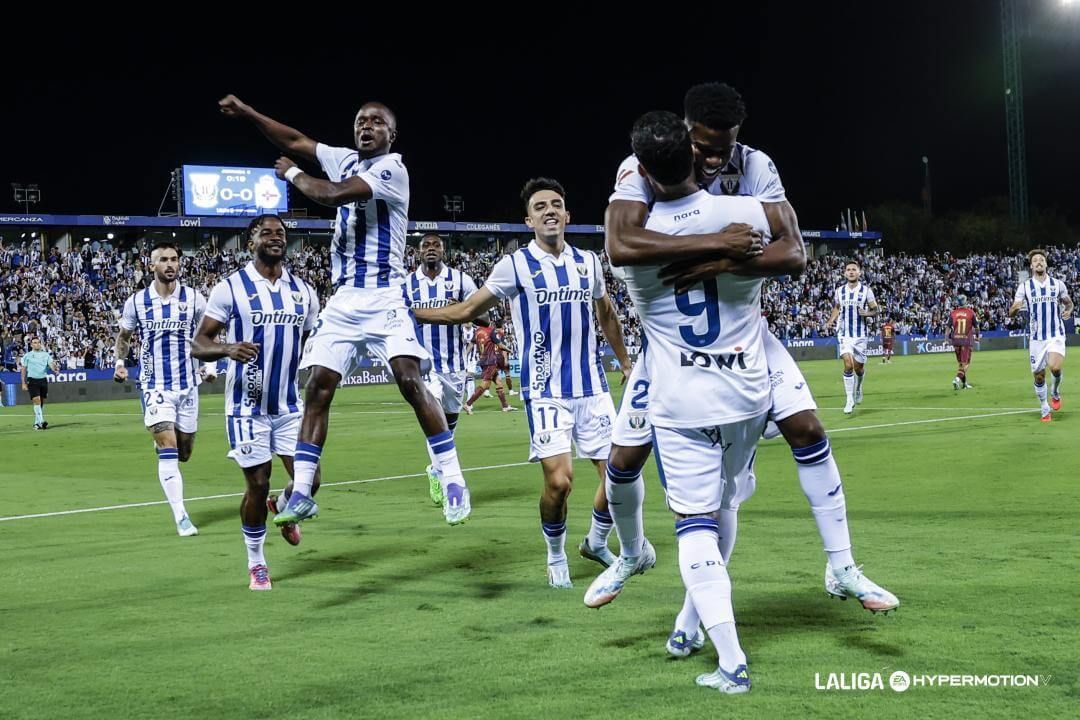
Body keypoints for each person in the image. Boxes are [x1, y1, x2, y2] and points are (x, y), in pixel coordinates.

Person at [597, 83, 897, 622]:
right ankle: (631, 552)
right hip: (668, 343)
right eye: (704, 147)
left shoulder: (756, 165)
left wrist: (724, 263)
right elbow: (620, 244)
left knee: (808, 429)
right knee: (622, 461)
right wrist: (716, 243)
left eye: (725, 147)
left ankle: (841, 564)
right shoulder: (640, 167)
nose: (715, 159)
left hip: (744, 333)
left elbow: (796, 253)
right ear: (683, 133)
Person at [219, 93, 472, 525]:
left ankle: (452, 479)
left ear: (392, 134)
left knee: (409, 379)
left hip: (385, 293)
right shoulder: (344, 158)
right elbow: (296, 138)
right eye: (360, 121)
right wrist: (248, 114)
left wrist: (293, 173)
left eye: (376, 122)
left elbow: (333, 194)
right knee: (318, 386)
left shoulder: (393, 169)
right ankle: (301, 493)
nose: (366, 126)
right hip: (344, 297)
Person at [601, 111, 774, 692]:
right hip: (748, 391)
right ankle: (687, 622)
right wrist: (729, 253)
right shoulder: (744, 213)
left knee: (694, 523)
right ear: (701, 154)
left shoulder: (633, 245)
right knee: (726, 502)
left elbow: (621, 243)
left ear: (641, 171)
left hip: (680, 398)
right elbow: (794, 252)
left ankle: (732, 660)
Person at [413, 178, 634, 588]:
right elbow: (465, 310)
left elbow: (605, 312)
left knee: (619, 477)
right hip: (545, 389)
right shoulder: (515, 265)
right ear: (528, 219)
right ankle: (555, 556)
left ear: (567, 215)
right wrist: (411, 313)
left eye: (556, 204)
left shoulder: (588, 262)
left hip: (592, 387)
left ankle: (596, 542)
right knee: (559, 481)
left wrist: (624, 360)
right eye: (540, 206)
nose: (549, 210)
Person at [191, 214, 322, 590]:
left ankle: (284, 508)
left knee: (310, 481)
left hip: (288, 406)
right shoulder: (230, 288)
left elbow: (310, 342)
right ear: (252, 241)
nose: (275, 238)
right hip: (246, 408)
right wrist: (228, 348)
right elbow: (200, 344)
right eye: (266, 233)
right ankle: (257, 562)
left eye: (281, 233)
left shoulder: (304, 291)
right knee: (258, 484)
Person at [113, 241, 211, 537]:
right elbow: (124, 335)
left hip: (187, 385)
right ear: (151, 265)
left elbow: (209, 333)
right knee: (168, 448)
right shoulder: (137, 301)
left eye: (174, 259)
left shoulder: (194, 298)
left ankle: (164, 443)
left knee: (184, 453)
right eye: (163, 260)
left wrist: (209, 365)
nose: (170, 264)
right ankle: (181, 517)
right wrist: (119, 361)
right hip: (154, 385)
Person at [406, 232, 487, 505]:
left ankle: (435, 469)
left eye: (436, 245)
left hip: (454, 367)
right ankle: (448, 481)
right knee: (434, 422)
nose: (431, 249)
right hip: (423, 367)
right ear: (418, 252)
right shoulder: (407, 285)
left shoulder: (461, 280)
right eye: (426, 245)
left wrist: (464, 309)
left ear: (443, 251)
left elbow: (484, 316)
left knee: (448, 427)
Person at [1008, 248, 1073, 421]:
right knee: (1039, 375)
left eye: (1041, 260)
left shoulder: (1058, 284)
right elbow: (1013, 311)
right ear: (1031, 266)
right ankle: (1045, 407)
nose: (1039, 262)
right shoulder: (1025, 286)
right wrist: (1013, 309)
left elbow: (1068, 302)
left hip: (1055, 334)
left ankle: (1055, 391)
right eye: (1035, 260)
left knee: (1055, 367)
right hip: (1036, 338)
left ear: (1046, 264)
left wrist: (1069, 310)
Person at [825, 260, 880, 414]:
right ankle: (849, 399)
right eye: (848, 269)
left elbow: (876, 309)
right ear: (844, 273)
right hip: (844, 334)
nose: (851, 272)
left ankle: (859, 386)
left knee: (859, 368)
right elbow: (837, 307)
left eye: (854, 269)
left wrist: (867, 313)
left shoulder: (866, 291)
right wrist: (831, 320)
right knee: (848, 365)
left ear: (859, 272)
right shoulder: (839, 291)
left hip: (860, 335)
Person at [463, 325, 514, 413]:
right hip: (490, 361)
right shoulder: (490, 331)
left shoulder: (478, 331)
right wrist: (509, 350)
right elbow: (500, 345)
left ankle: (505, 406)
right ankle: (468, 404)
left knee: (498, 382)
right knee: (485, 384)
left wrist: (464, 355)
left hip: (483, 360)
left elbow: (471, 344)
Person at [20, 336, 59, 430]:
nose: (37, 344)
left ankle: (36, 424)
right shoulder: (27, 355)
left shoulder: (46, 355)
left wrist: (55, 370)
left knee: (41, 402)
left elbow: (51, 365)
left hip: (43, 380)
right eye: (34, 342)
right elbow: (23, 369)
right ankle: (41, 421)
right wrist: (23, 382)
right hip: (32, 380)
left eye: (38, 342)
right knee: (36, 400)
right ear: (31, 345)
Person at [947, 296, 979, 389]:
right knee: (966, 363)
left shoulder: (953, 313)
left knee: (961, 363)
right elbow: (977, 327)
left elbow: (948, 327)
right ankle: (957, 379)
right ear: (965, 302)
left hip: (956, 341)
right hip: (966, 341)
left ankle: (964, 384)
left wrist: (946, 339)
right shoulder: (970, 312)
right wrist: (977, 337)